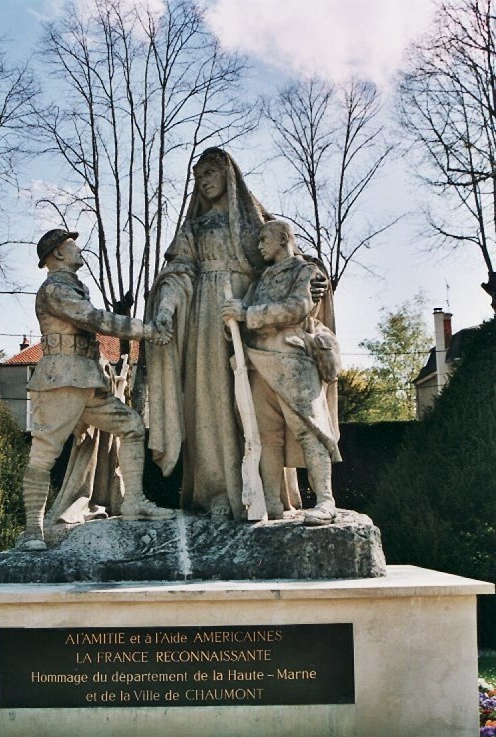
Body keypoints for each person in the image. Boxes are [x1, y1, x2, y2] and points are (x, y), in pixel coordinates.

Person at [20, 228, 174, 552]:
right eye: (71, 245)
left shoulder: (73, 286)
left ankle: (134, 500)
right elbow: (94, 320)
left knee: (132, 425)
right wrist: (146, 330)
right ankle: (33, 530)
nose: (79, 249)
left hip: (87, 378)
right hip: (61, 379)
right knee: (44, 454)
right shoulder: (55, 288)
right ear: (58, 253)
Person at [143, 148, 277, 519]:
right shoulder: (194, 228)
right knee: (210, 398)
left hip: (250, 309)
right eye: (198, 175)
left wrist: (311, 277)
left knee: (257, 400)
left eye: (210, 172)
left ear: (228, 174)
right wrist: (165, 310)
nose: (204, 181)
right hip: (206, 314)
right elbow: (177, 271)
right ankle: (216, 490)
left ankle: (267, 490)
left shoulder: (253, 223)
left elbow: (286, 252)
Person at [221, 219, 341, 524]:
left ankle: (325, 500)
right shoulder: (260, 280)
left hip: (292, 358)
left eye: (265, 238)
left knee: (310, 430)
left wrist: (247, 314)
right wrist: (232, 322)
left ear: (284, 238)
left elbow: (297, 308)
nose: (260, 245)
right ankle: (271, 503)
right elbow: (243, 322)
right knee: (267, 436)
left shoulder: (305, 271)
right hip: (258, 362)